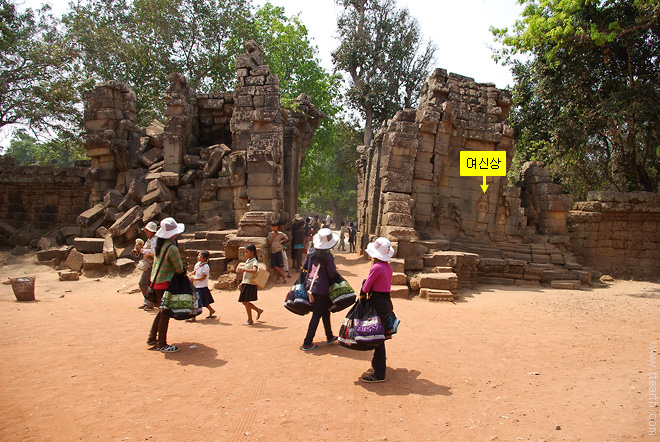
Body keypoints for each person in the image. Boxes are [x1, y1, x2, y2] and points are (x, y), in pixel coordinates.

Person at [147, 217, 185, 353]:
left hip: (155, 282)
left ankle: (152, 338)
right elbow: (179, 268)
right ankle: (162, 344)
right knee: (165, 313)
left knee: (162, 310)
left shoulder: (160, 246)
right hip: (165, 284)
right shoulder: (171, 248)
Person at [360, 237, 395, 383]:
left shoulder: (376, 268)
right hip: (386, 302)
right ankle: (377, 365)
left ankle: (380, 372)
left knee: (378, 339)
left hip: (377, 304)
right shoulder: (388, 267)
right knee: (381, 336)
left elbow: (366, 288)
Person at [300, 228, 340, 351]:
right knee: (317, 315)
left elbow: (305, 267)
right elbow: (332, 273)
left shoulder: (311, 252)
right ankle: (307, 342)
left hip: (311, 286)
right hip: (322, 288)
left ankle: (329, 335)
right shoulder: (328, 256)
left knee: (324, 311)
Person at [237, 244, 263, 325]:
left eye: (246, 252)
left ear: (252, 252)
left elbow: (254, 270)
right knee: (245, 301)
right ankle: (257, 311)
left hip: (250, 283)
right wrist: (242, 282)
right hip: (246, 282)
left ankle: (250, 319)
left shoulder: (254, 261)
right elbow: (246, 274)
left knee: (245, 301)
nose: (245, 254)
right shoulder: (248, 260)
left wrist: (244, 269)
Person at [186, 250, 216, 322]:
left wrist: (194, 279)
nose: (198, 257)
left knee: (196, 302)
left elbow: (203, 278)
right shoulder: (198, 264)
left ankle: (193, 317)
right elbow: (195, 271)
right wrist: (191, 274)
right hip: (198, 285)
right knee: (204, 300)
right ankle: (211, 310)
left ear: (205, 258)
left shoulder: (206, 266)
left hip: (202, 286)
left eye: (200, 256)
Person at [135, 221, 158, 310]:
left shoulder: (154, 240)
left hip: (151, 264)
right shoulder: (150, 239)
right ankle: (148, 302)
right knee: (147, 283)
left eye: (147, 230)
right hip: (149, 263)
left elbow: (153, 252)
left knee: (143, 282)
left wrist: (141, 250)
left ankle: (150, 302)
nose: (146, 232)